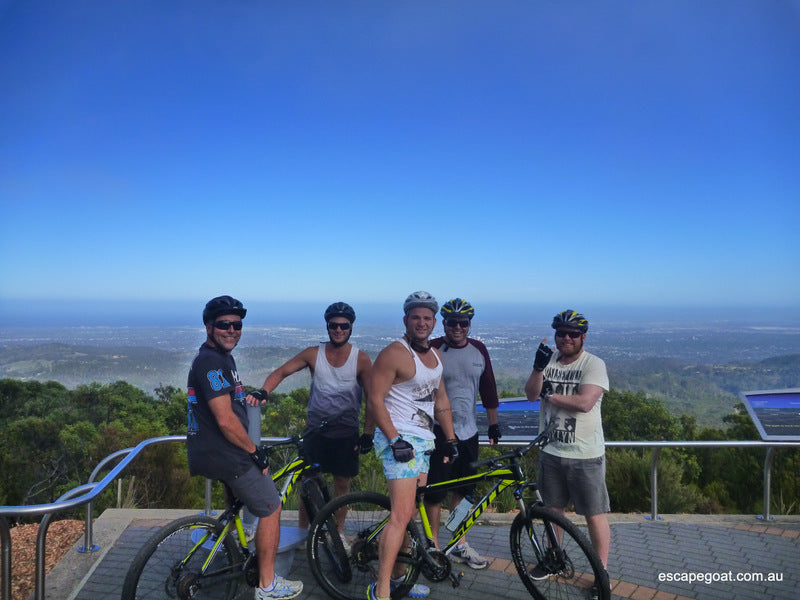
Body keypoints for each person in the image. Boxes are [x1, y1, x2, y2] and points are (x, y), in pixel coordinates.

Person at [187, 295, 303, 600]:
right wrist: (254, 450)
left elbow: (228, 402)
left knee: (240, 506)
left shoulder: (222, 358)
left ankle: (236, 548)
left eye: (237, 325)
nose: (232, 330)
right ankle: (267, 585)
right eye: (224, 324)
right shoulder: (211, 361)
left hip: (211, 453)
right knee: (271, 508)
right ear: (208, 326)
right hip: (228, 454)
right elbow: (225, 420)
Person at [246, 302, 374, 528]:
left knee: (342, 486)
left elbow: (373, 399)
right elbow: (281, 372)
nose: (338, 330)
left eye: (344, 326)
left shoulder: (361, 359)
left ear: (351, 327)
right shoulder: (313, 354)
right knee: (308, 484)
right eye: (333, 325)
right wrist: (264, 390)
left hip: (346, 433)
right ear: (327, 326)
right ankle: (304, 531)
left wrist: (368, 434)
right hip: (315, 431)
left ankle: (338, 533)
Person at [367, 291, 459, 600]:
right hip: (400, 442)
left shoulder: (435, 356)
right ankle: (381, 590)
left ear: (434, 322)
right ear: (406, 320)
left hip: (424, 442)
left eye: (427, 318)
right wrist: (394, 440)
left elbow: (440, 398)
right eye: (416, 317)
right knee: (401, 515)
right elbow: (375, 399)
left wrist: (450, 438)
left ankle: (398, 578)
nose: (422, 322)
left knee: (410, 514)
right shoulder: (394, 352)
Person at [523, 309, 610, 600]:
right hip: (551, 450)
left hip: (585, 454)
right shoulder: (549, 363)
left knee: (594, 515)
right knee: (553, 510)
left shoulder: (593, 364)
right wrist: (537, 369)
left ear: (583, 337)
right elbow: (531, 395)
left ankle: (602, 572)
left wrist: (551, 395)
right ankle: (554, 557)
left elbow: (585, 403)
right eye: (562, 333)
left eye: (573, 334)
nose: (567, 338)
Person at [425, 298, 501, 569]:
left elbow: (488, 388)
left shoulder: (479, 349)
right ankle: (433, 547)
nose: (457, 327)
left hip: (469, 433)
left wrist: (493, 424)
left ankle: (458, 542)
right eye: (452, 322)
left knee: (464, 492)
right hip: (437, 434)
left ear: (469, 324)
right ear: (443, 323)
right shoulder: (433, 348)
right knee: (435, 494)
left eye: (463, 323)